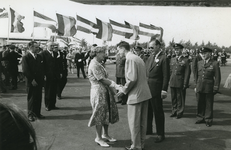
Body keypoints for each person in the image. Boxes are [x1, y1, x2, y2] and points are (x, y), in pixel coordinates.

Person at [117, 41, 152, 150]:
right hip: (144, 94)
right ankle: (140, 144)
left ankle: (136, 146)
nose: (118, 53)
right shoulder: (137, 58)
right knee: (142, 122)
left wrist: (123, 91)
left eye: (118, 50)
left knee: (134, 122)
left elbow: (132, 79)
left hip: (136, 95)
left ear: (123, 49)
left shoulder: (130, 59)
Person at [88, 46, 119, 148]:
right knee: (99, 114)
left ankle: (105, 134)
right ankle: (98, 138)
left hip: (104, 91)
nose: (105, 55)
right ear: (97, 53)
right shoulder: (94, 64)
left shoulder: (99, 64)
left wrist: (112, 89)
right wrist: (114, 85)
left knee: (106, 113)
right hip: (98, 92)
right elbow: (101, 79)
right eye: (103, 53)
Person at [145, 39, 170, 143]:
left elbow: (166, 75)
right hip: (148, 88)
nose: (150, 49)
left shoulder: (163, 58)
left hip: (157, 89)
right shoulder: (150, 57)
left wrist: (164, 90)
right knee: (148, 111)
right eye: (149, 47)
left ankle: (160, 134)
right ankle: (149, 129)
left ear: (159, 46)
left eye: (152, 47)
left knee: (158, 112)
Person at [194, 47, 221, 127]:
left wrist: (216, 87)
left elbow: (217, 77)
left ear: (210, 54)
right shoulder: (199, 63)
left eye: (205, 53)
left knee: (208, 104)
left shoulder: (215, 63)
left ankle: (208, 119)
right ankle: (200, 118)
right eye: (202, 53)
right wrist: (196, 85)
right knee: (200, 102)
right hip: (200, 86)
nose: (203, 54)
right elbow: (197, 75)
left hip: (209, 86)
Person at [22, 41, 45, 122]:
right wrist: (32, 79)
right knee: (31, 98)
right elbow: (25, 70)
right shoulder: (26, 57)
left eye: (38, 47)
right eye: (36, 47)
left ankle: (37, 113)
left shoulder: (39, 57)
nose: (38, 49)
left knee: (38, 97)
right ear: (31, 47)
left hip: (39, 81)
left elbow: (42, 68)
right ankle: (30, 115)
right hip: (31, 81)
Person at [169, 44, 191, 119]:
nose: (176, 51)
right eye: (175, 49)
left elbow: (187, 73)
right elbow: (170, 71)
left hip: (180, 81)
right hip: (173, 81)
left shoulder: (186, 60)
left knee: (180, 97)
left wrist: (185, 83)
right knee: (173, 97)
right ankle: (174, 111)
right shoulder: (172, 59)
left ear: (181, 50)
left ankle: (179, 112)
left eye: (178, 49)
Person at [41, 42, 60, 111]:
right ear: (47, 46)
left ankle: (53, 104)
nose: (52, 47)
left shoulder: (55, 54)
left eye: (53, 46)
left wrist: (58, 73)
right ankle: (47, 105)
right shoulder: (43, 54)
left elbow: (57, 65)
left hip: (54, 75)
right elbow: (42, 66)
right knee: (48, 91)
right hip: (48, 75)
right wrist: (44, 75)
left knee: (54, 91)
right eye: (51, 46)